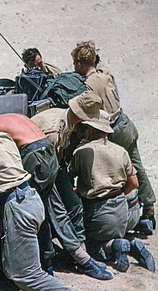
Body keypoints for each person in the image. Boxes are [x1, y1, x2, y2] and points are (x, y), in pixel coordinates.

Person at [0, 94, 71, 290]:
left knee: (26, 275)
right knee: (13, 269)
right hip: (31, 200)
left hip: (18, 208)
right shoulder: (3, 136)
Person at [0, 113, 113, 280]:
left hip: (37, 159)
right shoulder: (19, 118)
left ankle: (50, 262)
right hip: (46, 156)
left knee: (42, 215)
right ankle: (81, 258)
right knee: (55, 212)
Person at [71, 43, 156, 235]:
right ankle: (149, 210)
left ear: (79, 64)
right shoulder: (105, 74)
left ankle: (122, 215)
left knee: (111, 174)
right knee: (137, 167)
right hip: (125, 124)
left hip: (112, 131)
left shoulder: (88, 84)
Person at [69, 110, 155, 272]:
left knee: (91, 249)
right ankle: (130, 244)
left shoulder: (81, 152)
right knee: (111, 232)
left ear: (92, 129)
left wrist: (80, 191)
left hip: (99, 213)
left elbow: (68, 183)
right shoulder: (120, 151)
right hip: (123, 211)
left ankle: (118, 246)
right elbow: (134, 183)